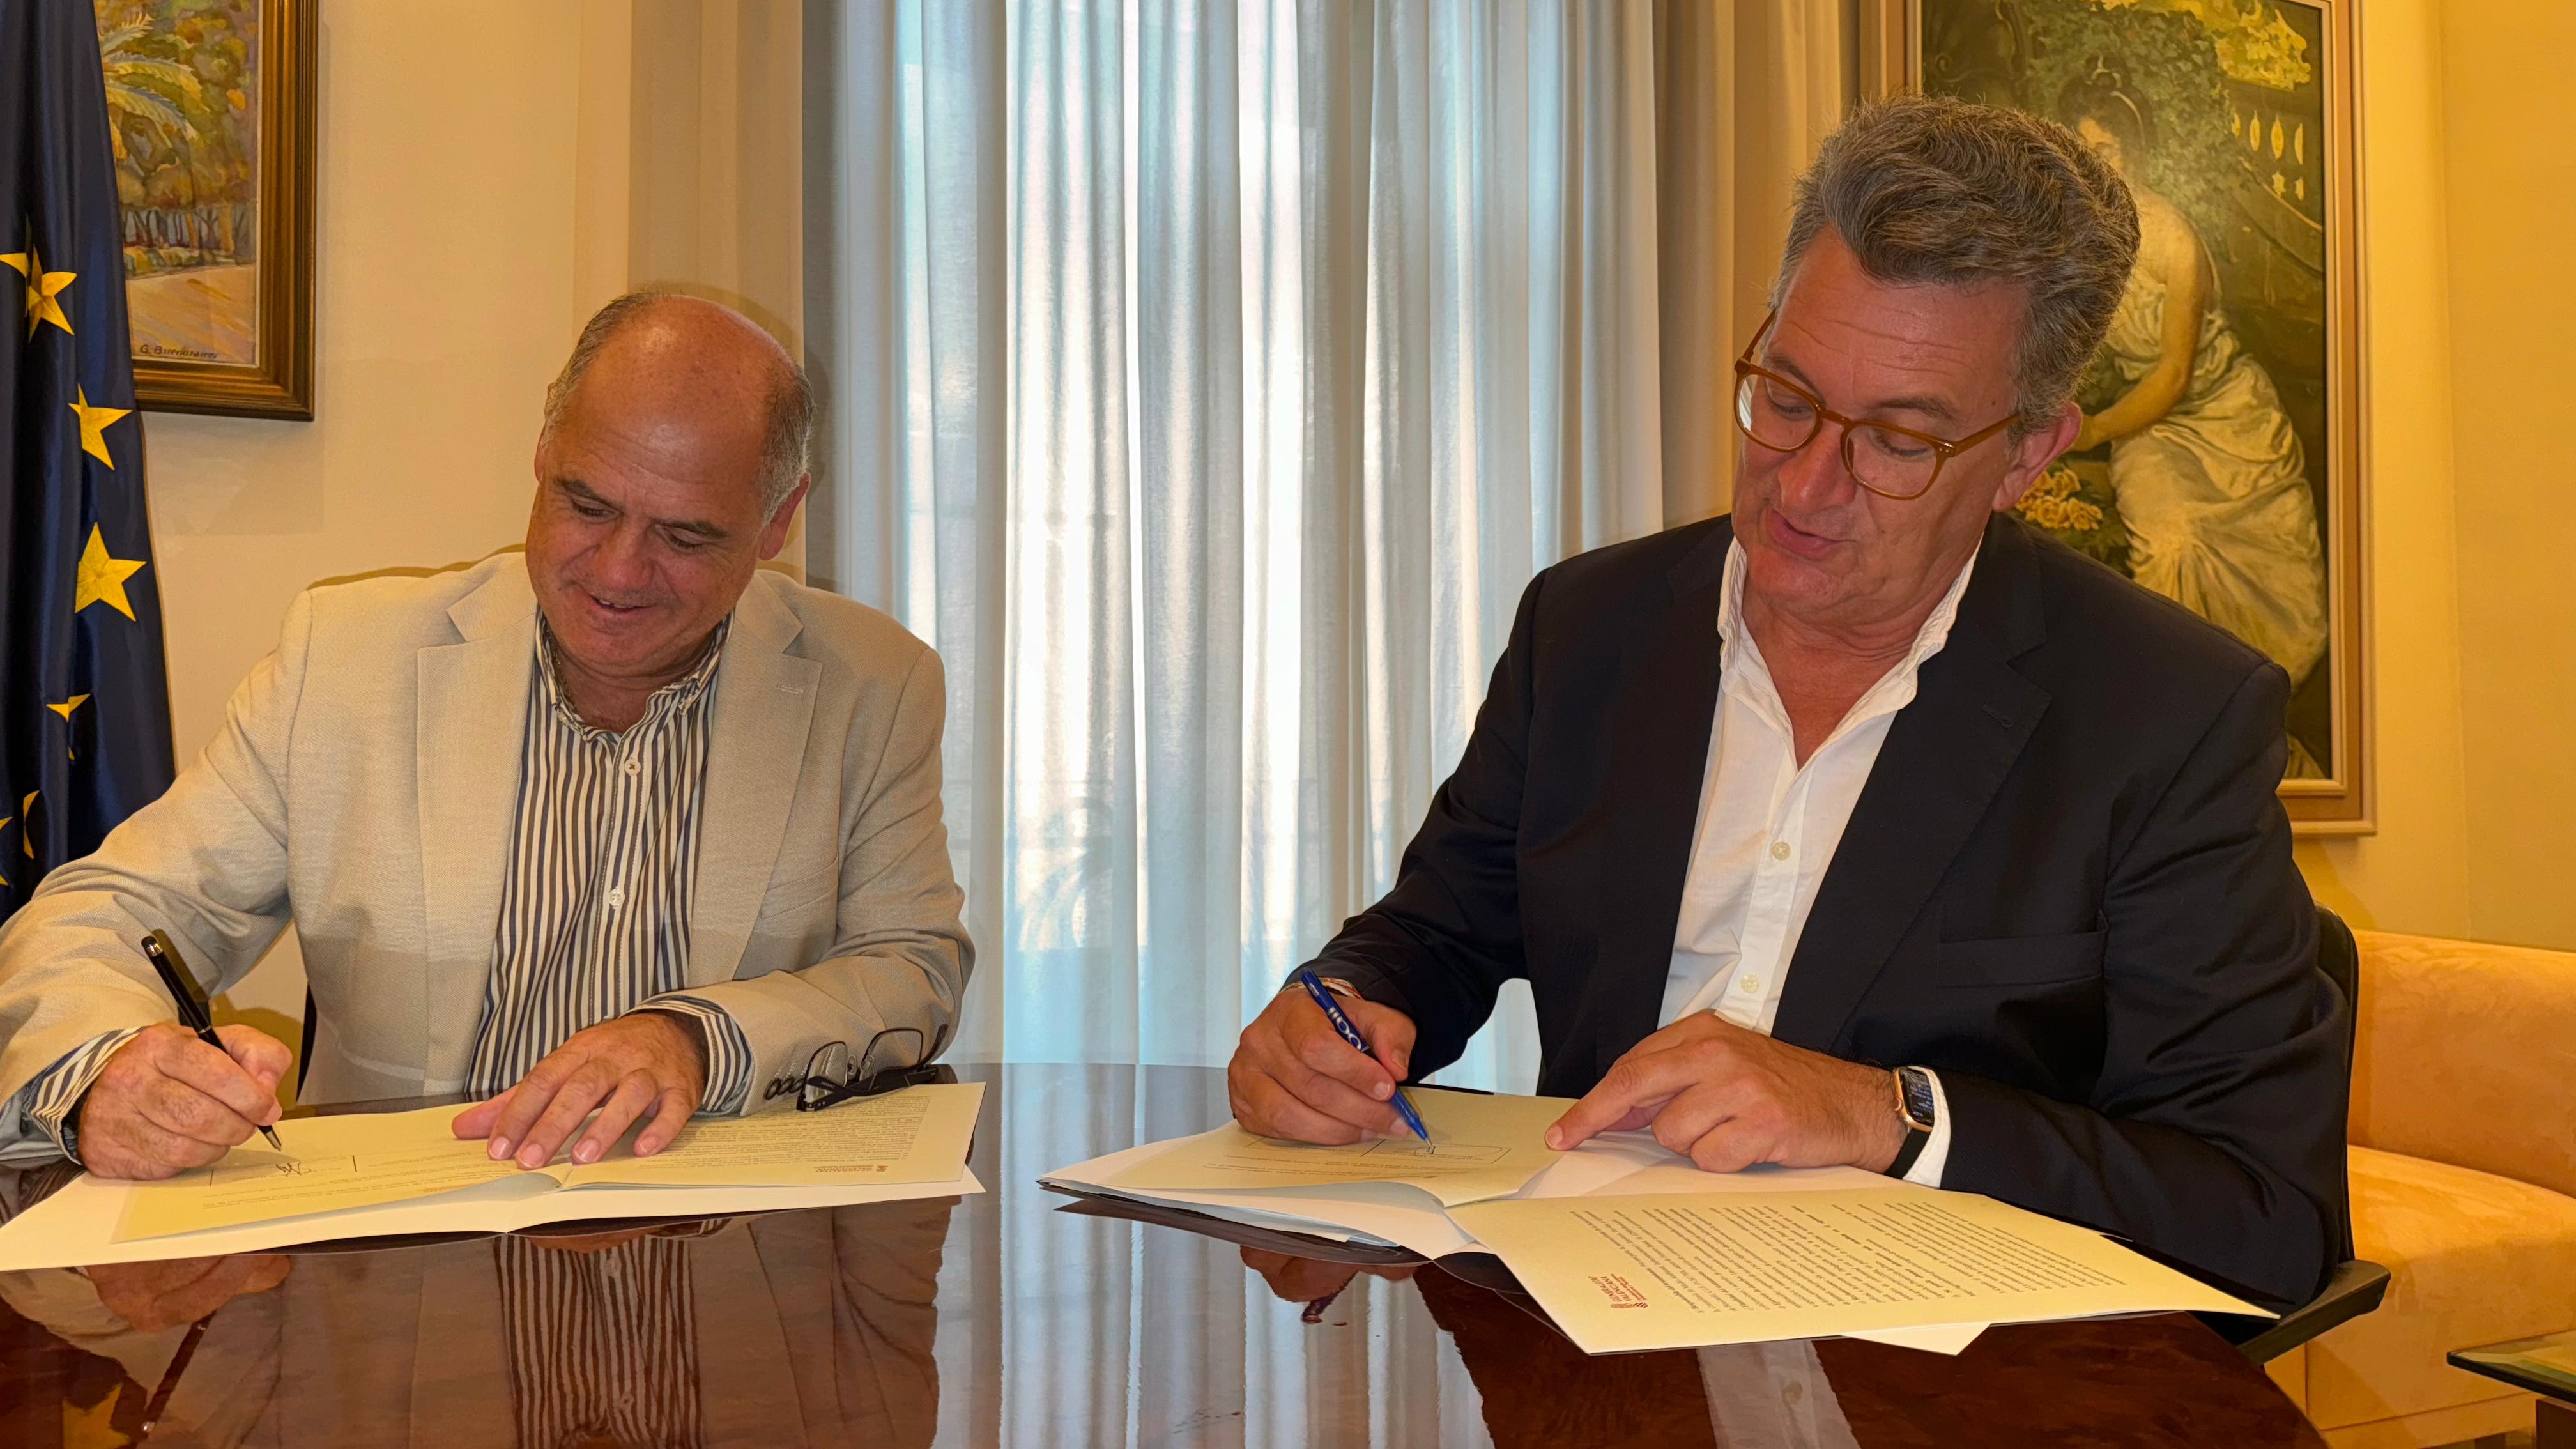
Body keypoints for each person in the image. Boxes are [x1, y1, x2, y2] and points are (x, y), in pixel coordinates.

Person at [1225, 96, 2346, 1309]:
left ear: (2026, 455)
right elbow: (1439, 930)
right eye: (1788, 398)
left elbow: (2261, 1212)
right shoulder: (1590, 627)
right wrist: (1340, 1010)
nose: (1806, 486)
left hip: (1938, 1367)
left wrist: (1886, 1114)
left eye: (1899, 443)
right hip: (1587, 1330)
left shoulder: (2165, 715)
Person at [0, 293, 971, 1179]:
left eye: (685, 537)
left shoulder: (873, 687)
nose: (619, 573)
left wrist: (698, 1039)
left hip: (723, 1246)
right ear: (545, 448)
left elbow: (910, 968)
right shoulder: (343, 664)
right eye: (587, 505)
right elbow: (103, 913)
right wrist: (107, 1068)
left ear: (777, 521)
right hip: (405, 1259)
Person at [2058, 64, 2330, 764]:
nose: (2096, 164)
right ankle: (2175, 729)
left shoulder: (2173, 238)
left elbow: (2174, 376)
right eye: (2083, 149)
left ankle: (2232, 727)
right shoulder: (2076, 239)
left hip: (2221, 414)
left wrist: (2094, 430)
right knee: (2172, 539)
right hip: (2152, 429)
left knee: (2244, 571)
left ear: (2136, 154)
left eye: (2108, 151)